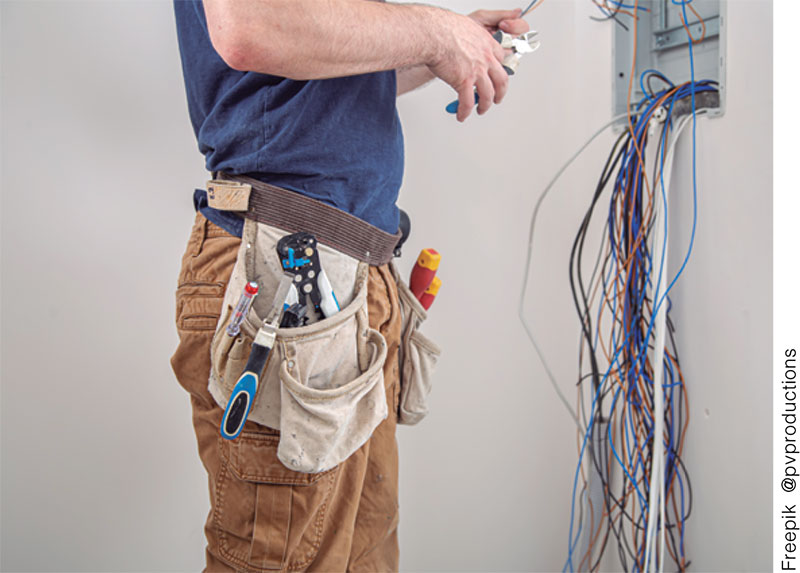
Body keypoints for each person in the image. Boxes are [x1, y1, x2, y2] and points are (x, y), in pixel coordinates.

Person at [171, 1, 529, 570]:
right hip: (279, 277)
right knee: (279, 557)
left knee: (362, 557)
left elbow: (332, 69)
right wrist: (437, 34)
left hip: (351, 282)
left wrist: (454, 44)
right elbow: (249, 28)